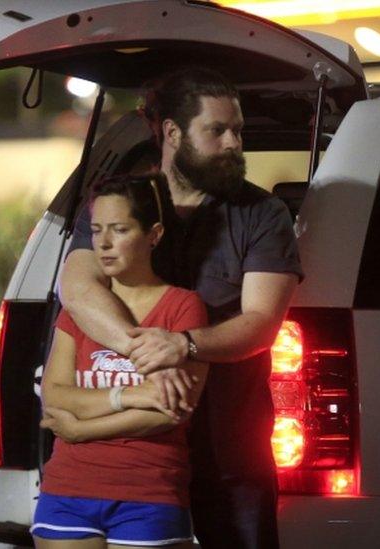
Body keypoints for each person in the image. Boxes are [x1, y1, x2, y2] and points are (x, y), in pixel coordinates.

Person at [60, 68, 303, 548]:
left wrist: (184, 344)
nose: (234, 143)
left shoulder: (261, 213)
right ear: (172, 132)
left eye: (238, 130)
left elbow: (260, 323)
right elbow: (79, 288)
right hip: (129, 450)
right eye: (218, 131)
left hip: (227, 452)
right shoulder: (119, 203)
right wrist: (149, 351)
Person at [33, 174, 209, 549]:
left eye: (119, 229)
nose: (104, 244)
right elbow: (55, 396)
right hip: (67, 489)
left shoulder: (182, 307)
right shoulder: (82, 309)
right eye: (96, 231)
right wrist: (130, 395)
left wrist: (83, 429)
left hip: (148, 491)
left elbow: (169, 410)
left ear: (154, 235)